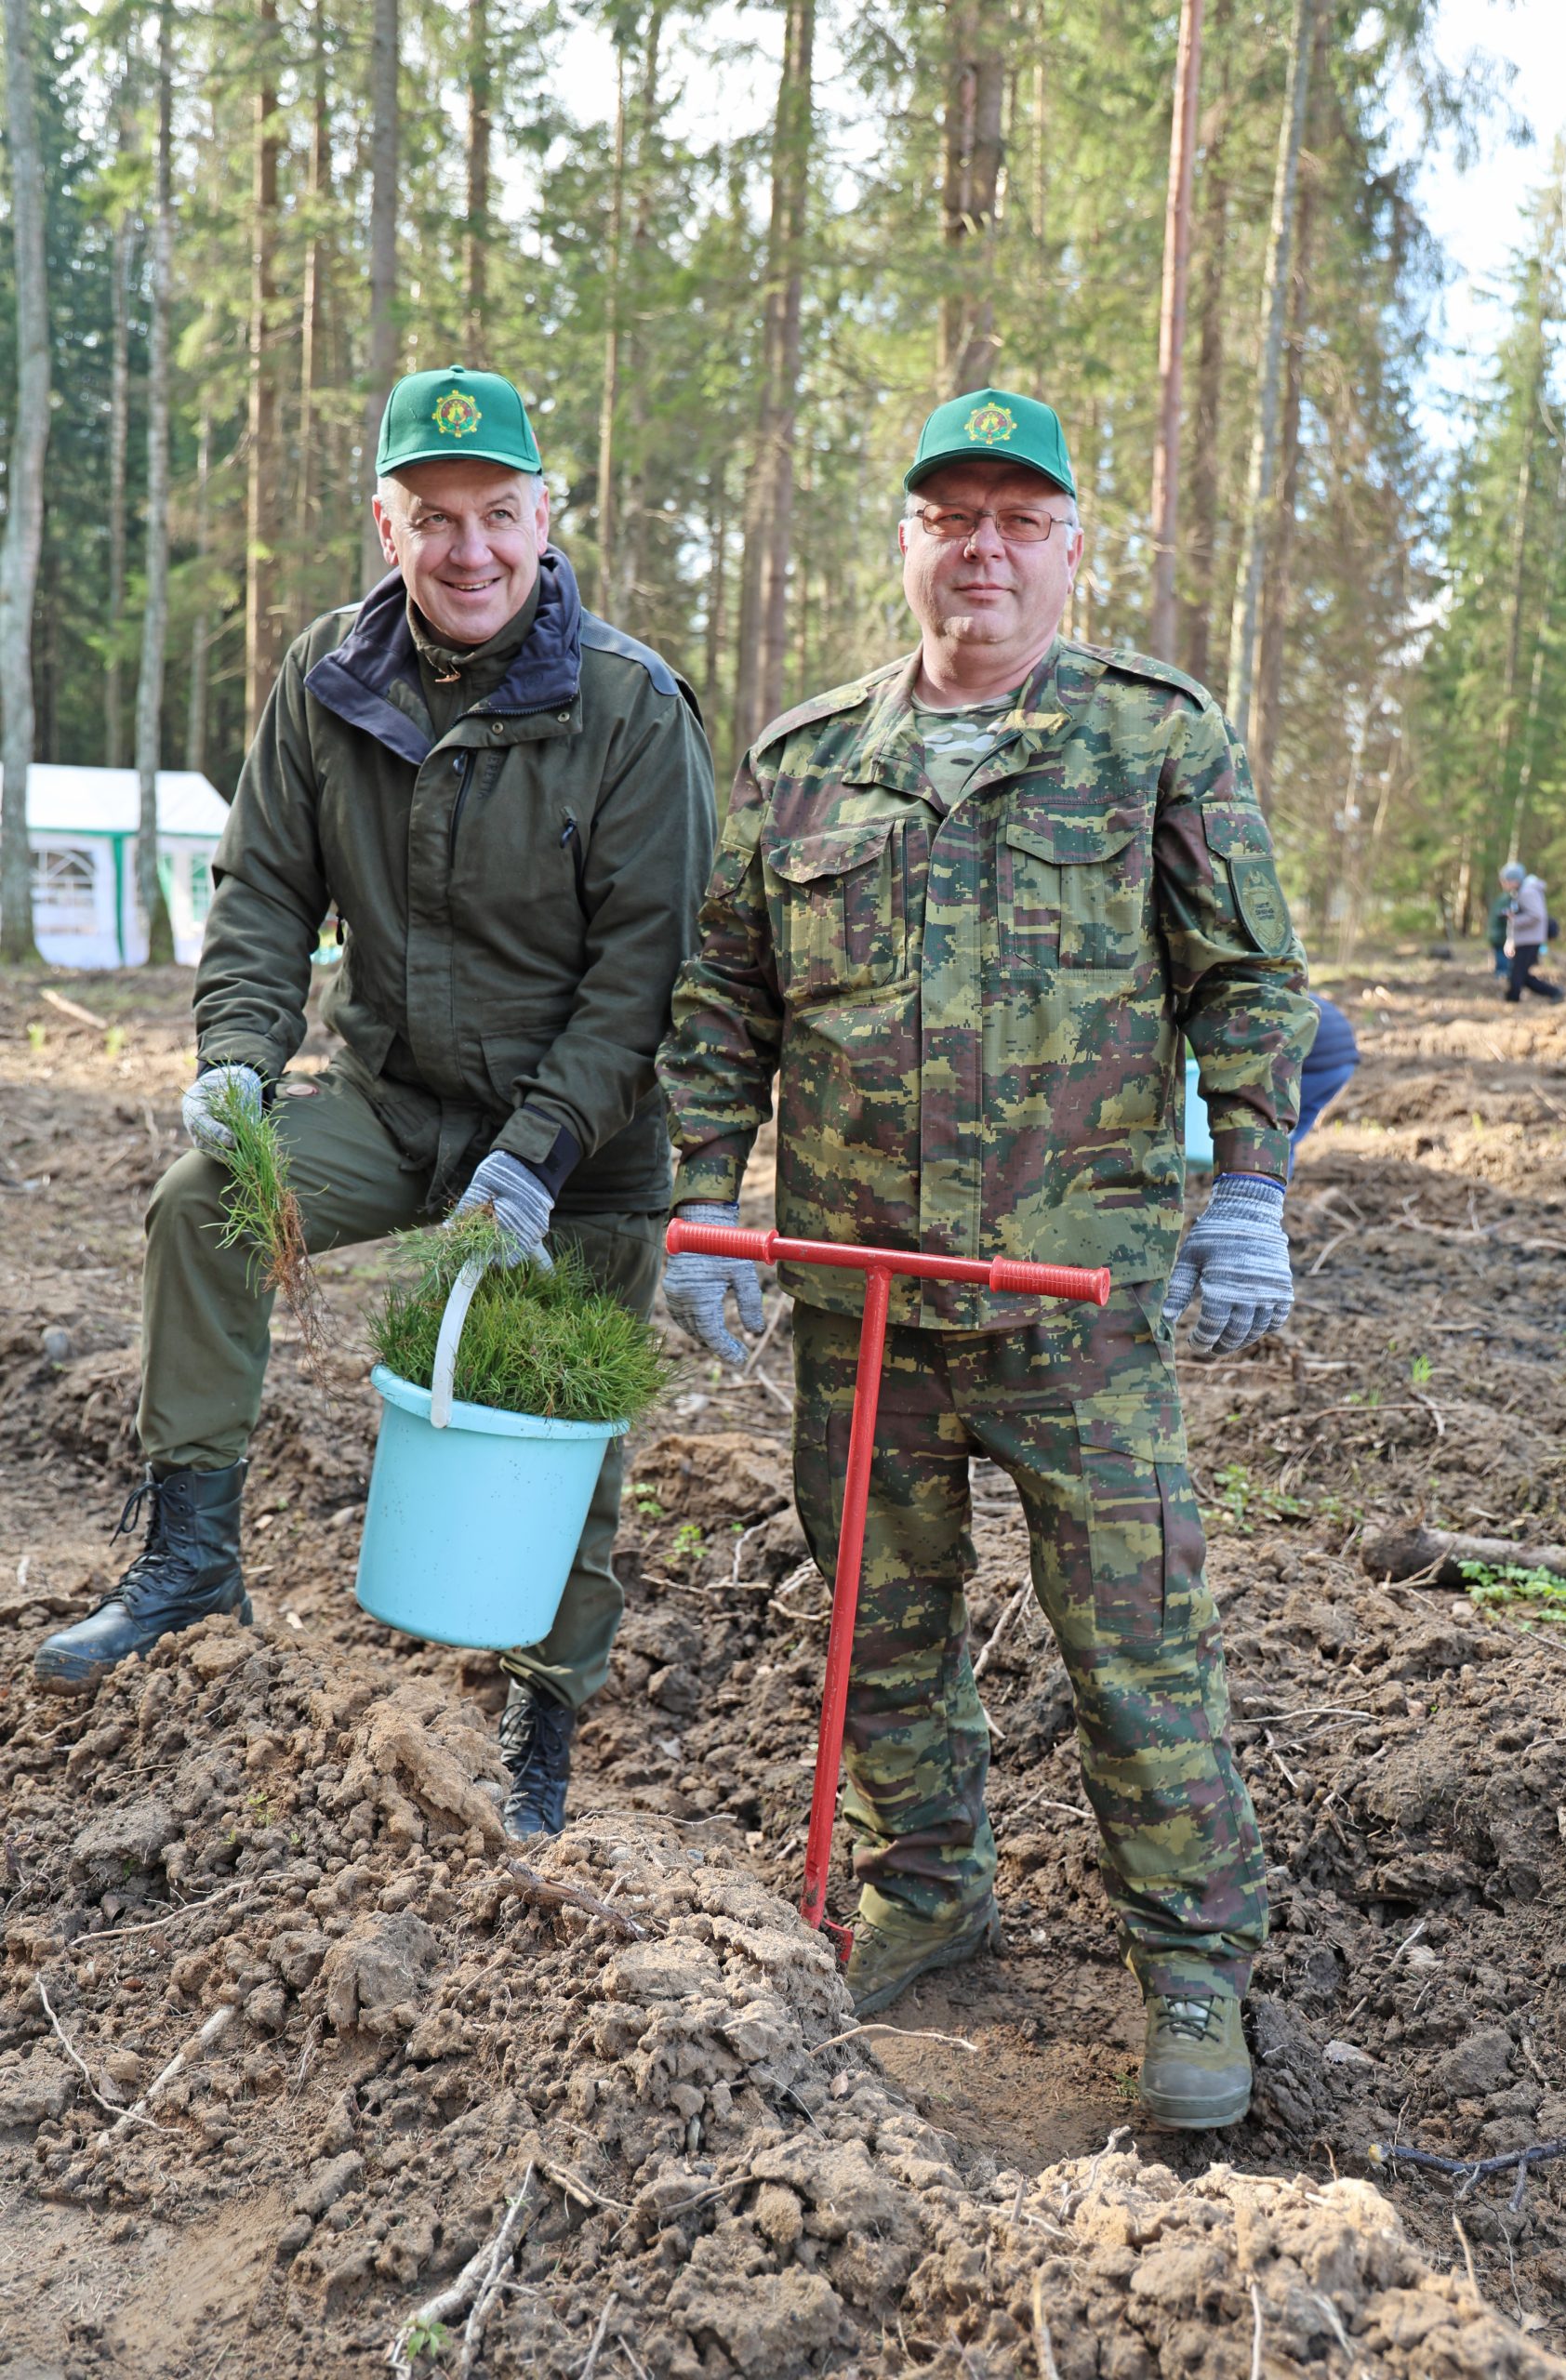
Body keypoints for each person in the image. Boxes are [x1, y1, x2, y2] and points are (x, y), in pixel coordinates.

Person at [657, 387, 1315, 2131]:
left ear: (1069, 547)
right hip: (859, 1303)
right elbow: (723, 1000)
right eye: (952, 517)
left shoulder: (1152, 737)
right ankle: (926, 1892)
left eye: (1020, 520)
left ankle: (1190, 1966)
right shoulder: (806, 762)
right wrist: (701, 1201)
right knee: (878, 1631)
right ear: (908, 542)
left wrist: (1247, 1188)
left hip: (1074, 1306)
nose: (984, 551)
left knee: (1135, 1645)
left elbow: (1247, 980)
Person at [34, 366, 717, 1843]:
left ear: (544, 518)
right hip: (395, 1103)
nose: (469, 551)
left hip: (578, 1146)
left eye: (496, 515)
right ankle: (191, 1565)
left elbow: (644, 978)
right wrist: (237, 1052)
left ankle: (541, 1720)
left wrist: (538, 1156)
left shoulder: (628, 706)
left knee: (558, 1407)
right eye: (434, 519)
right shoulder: (326, 679)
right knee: (202, 1211)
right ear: (385, 525)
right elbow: (265, 893)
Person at [1289, 993, 1359, 1163]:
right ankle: (1282, 1175)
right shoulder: (1290, 987)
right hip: (1344, 1060)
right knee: (1288, 1134)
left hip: (1318, 1064)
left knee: (1275, 1132)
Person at [1499, 859, 1564, 1004]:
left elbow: (1536, 915)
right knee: (1519, 974)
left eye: (1505, 881)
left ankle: (1554, 992)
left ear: (1514, 880)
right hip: (1527, 939)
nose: (1504, 884)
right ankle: (1513, 997)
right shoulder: (1523, 891)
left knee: (1518, 974)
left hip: (1530, 939)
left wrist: (1514, 919)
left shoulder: (1527, 892)